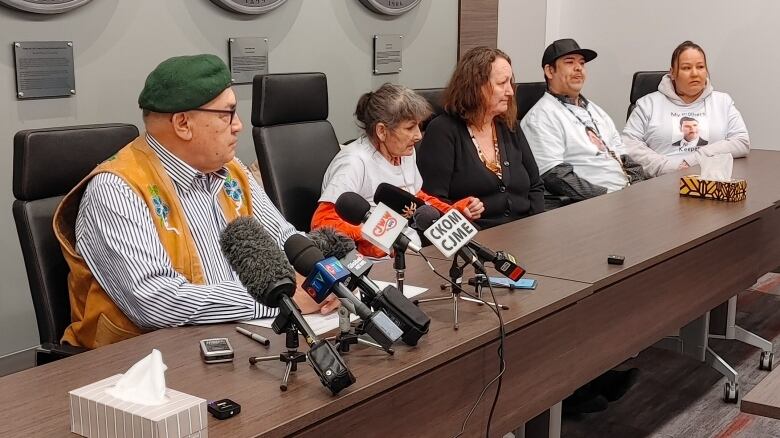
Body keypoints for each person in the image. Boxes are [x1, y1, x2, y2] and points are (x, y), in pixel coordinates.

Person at [53, 54, 337, 349]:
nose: (238, 125)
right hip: (143, 367)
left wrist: (324, 278)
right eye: (227, 114)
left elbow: (283, 237)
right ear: (183, 123)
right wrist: (280, 300)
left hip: (235, 343)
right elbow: (155, 300)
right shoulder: (117, 189)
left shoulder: (232, 171)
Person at [312, 83, 484, 258]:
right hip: (376, 265)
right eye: (410, 128)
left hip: (411, 254)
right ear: (381, 131)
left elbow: (416, 198)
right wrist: (373, 235)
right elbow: (322, 223)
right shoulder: (354, 162)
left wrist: (453, 212)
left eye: (419, 126)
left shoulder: (405, 152)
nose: (418, 136)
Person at [417, 47, 544, 229]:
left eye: (510, 82)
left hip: (524, 230)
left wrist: (537, 226)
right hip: (476, 239)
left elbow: (536, 186)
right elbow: (433, 203)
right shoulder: (443, 131)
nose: (510, 91)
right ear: (476, 86)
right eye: (502, 83)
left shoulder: (509, 125)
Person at [521, 39, 647, 203]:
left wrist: (638, 191)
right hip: (587, 204)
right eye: (569, 62)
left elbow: (624, 158)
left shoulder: (595, 110)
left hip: (622, 197)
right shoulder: (540, 117)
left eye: (582, 63)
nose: (578, 68)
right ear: (549, 71)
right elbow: (555, 176)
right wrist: (608, 197)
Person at [623, 41, 749, 176]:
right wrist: (669, 167)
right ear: (672, 73)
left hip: (713, 182)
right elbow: (628, 144)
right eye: (686, 68)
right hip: (661, 181)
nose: (695, 73)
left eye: (700, 67)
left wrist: (696, 158)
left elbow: (741, 142)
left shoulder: (722, 101)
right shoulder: (648, 104)